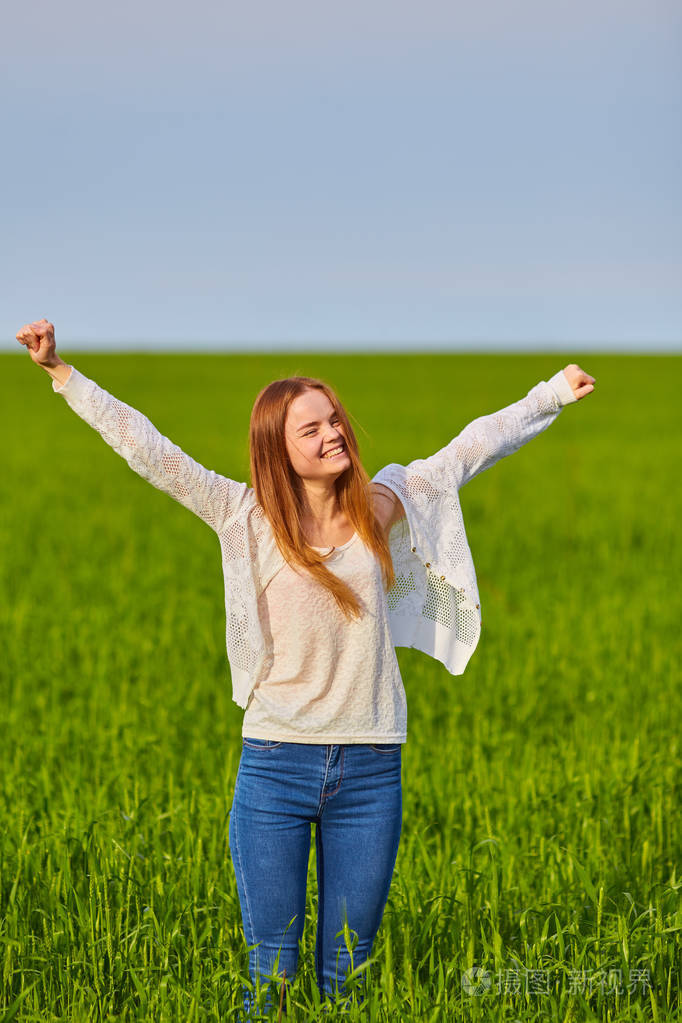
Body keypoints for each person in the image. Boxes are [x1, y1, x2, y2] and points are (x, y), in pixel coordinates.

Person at [16, 318, 595, 1016]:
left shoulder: (381, 504)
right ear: (279, 452)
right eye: (311, 430)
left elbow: (469, 449)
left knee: (349, 972)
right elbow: (149, 450)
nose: (333, 435)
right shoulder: (245, 516)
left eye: (334, 420)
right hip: (274, 766)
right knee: (273, 972)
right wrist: (61, 374)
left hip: (371, 767)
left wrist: (550, 394)